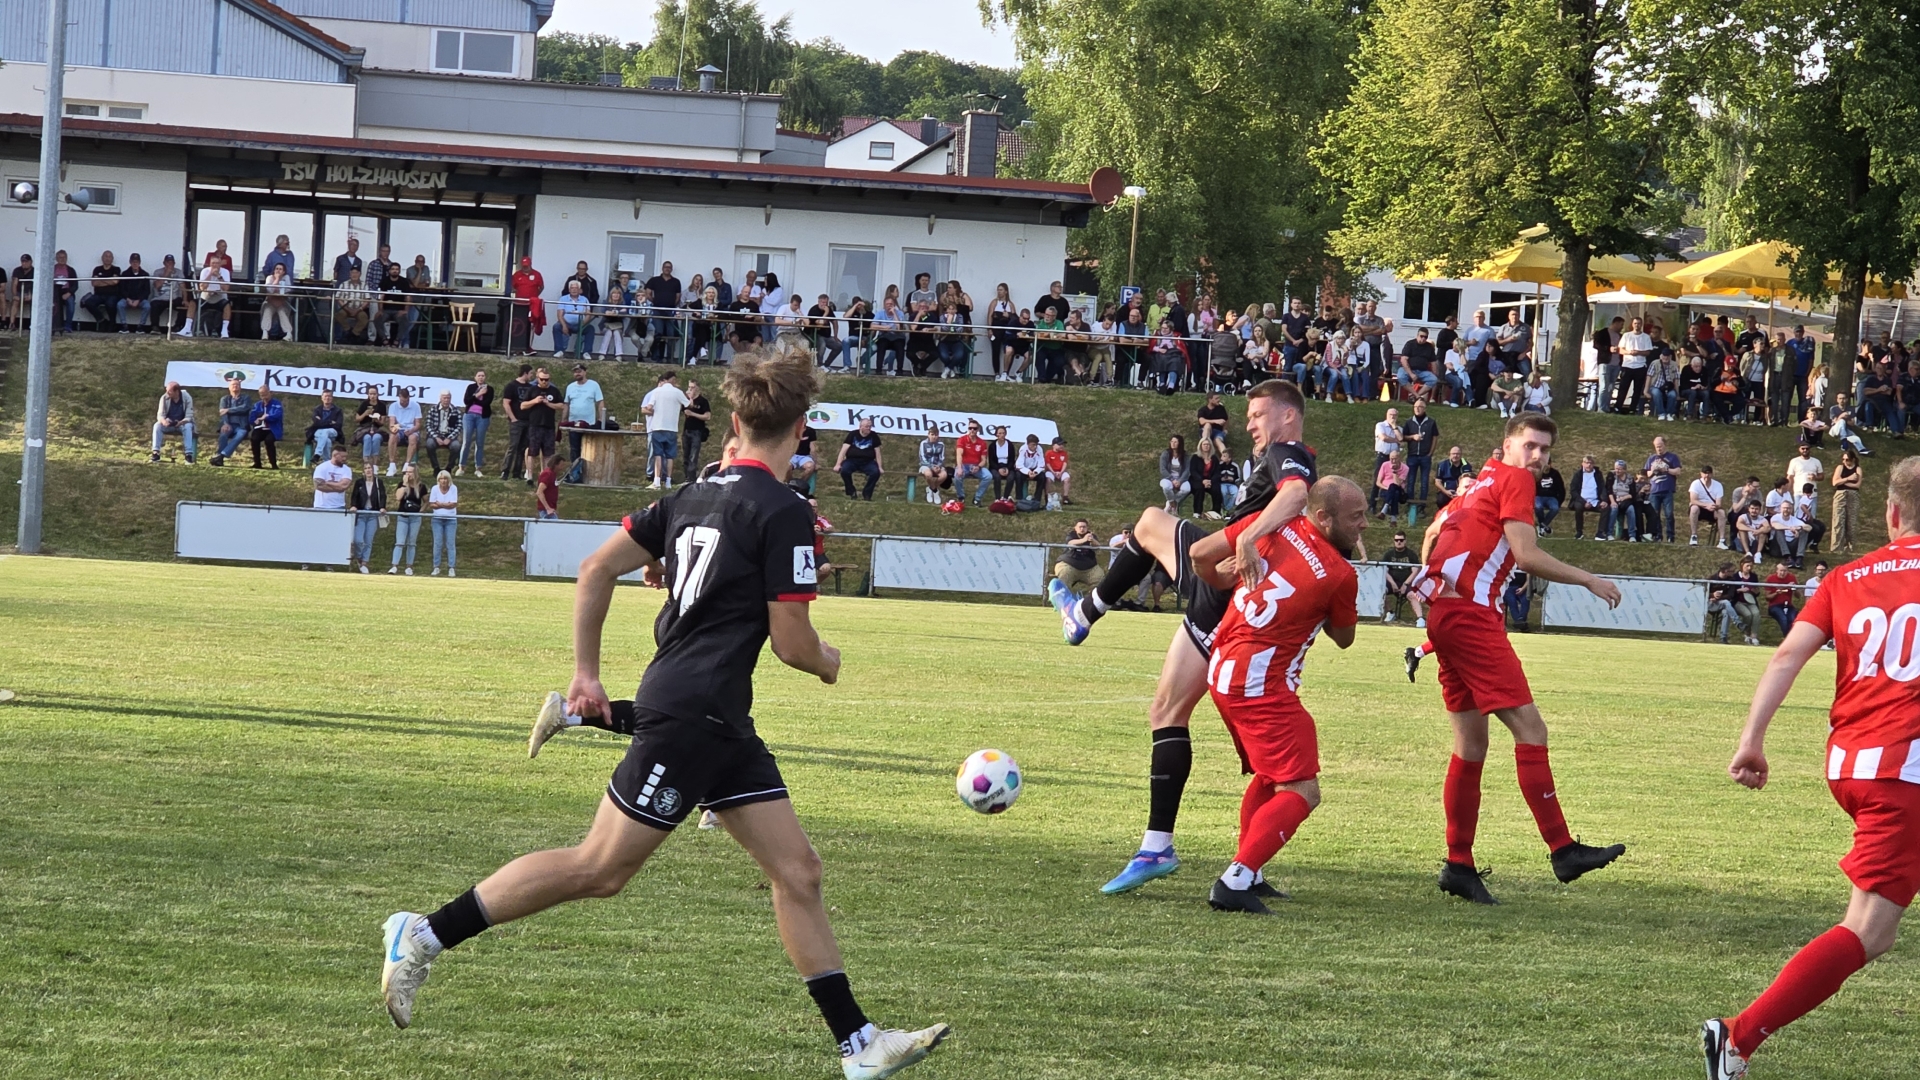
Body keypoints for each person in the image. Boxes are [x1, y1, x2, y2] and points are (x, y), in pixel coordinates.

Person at [379, 355, 950, 1078]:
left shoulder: (691, 493)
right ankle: (423, 934)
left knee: (798, 870)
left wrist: (586, 673)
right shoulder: (785, 511)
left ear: (735, 421)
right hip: (690, 715)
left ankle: (858, 1045)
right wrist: (829, 660)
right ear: (801, 429)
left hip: (719, 718)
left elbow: (595, 567)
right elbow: (793, 644)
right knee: (599, 868)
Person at [1052, 380, 1318, 896]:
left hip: (1221, 589)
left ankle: (1084, 613)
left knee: (1152, 522)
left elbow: (1297, 494)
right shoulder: (1284, 456)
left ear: (1288, 416)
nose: (1250, 423)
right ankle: (1083, 612)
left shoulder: (1288, 453)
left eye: (1258, 414)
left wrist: (1249, 537)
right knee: (1170, 710)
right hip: (1230, 595)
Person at [1702, 460, 1920, 1078]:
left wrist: (1751, 740)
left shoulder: (1847, 576)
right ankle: (1737, 1037)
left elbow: (1787, 657)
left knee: (1875, 927)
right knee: (1869, 931)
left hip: (1855, 765)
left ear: (1891, 514)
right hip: (1903, 771)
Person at [1409, 413, 1625, 904]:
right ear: (1507, 445)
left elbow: (1435, 533)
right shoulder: (1515, 480)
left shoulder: (1476, 483)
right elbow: (1525, 555)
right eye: (1530, 445)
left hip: (1445, 613)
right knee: (1532, 731)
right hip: (1470, 616)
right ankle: (1563, 850)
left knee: (1470, 745)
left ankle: (1458, 864)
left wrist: (1437, 584)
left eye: (1545, 450)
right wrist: (1590, 579)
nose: (1538, 457)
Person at [1191, 477, 1363, 914]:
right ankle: (1235, 879)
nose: (1364, 524)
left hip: (1224, 669)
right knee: (1303, 790)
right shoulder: (1340, 574)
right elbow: (1344, 638)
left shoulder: (1266, 527)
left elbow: (1199, 554)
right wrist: (1329, 596)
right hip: (1260, 684)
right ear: (1323, 518)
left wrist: (1224, 578)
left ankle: (1251, 872)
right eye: (1356, 517)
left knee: (1271, 776)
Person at [642, 371, 690, 489]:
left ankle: (657, 481)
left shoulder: (657, 391)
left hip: (658, 427)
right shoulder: (677, 392)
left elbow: (649, 407)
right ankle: (668, 481)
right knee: (670, 456)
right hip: (671, 428)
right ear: (672, 380)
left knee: (658, 455)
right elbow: (688, 404)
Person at [521, 368, 563, 486]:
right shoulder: (532, 390)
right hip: (535, 425)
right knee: (532, 452)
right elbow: (523, 405)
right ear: (537, 378)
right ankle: (529, 476)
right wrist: (535, 401)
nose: (544, 382)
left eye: (547, 379)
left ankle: (545, 476)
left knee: (548, 454)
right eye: (542, 379)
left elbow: (561, 406)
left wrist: (548, 404)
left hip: (549, 425)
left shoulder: (554, 391)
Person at [1051, 519, 1106, 598]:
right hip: (1069, 564)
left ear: (1087, 528)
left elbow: (1098, 546)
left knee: (1100, 578)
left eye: (1084, 527)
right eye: (1080, 527)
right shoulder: (1071, 535)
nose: (1082, 529)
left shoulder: (1091, 536)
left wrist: (1092, 540)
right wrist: (1083, 540)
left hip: (1089, 568)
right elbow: (1071, 543)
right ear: (1075, 528)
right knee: (1064, 575)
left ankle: (1092, 600)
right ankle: (1064, 599)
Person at [1380, 530, 1425, 626]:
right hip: (1393, 582)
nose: (1399, 542)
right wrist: (1392, 583)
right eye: (1396, 540)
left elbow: (1415, 571)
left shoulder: (1411, 554)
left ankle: (1420, 618)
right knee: (1380, 591)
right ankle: (1390, 613)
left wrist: (1405, 584)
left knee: (1412, 595)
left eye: (1401, 540)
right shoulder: (1388, 554)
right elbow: (1384, 571)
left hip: (1407, 582)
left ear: (1405, 541)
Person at [499, 365, 535, 481]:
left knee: (523, 448)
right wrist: (513, 418)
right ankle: (505, 471)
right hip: (516, 421)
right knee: (513, 446)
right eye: (530, 373)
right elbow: (506, 403)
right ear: (525, 373)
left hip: (528, 421)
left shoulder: (531, 387)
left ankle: (517, 472)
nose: (532, 376)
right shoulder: (511, 386)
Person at [563, 364, 606, 461]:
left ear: (585, 372)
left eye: (579, 371)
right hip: (573, 424)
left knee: (589, 450)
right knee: (574, 450)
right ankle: (575, 469)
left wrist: (601, 419)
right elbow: (566, 404)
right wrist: (564, 420)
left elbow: (600, 402)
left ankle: (588, 469)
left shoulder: (594, 385)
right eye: (575, 372)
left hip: (589, 424)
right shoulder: (570, 387)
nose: (577, 374)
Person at [350, 460, 386, 574]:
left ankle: (364, 563)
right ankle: (359, 557)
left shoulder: (378, 482)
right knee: (358, 540)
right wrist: (354, 506)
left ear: (373, 470)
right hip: (361, 513)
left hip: (373, 514)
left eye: (370, 468)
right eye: (366, 468)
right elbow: (354, 496)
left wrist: (382, 507)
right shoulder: (359, 483)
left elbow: (383, 496)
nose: (368, 470)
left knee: (368, 540)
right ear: (363, 471)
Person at [389, 465, 425, 575]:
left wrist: (421, 510)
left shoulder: (421, 487)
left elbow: (426, 500)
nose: (408, 474)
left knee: (411, 543)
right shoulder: (402, 485)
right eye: (406, 472)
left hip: (415, 518)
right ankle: (394, 566)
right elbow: (398, 497)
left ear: (415, 473)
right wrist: (404, 484)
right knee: (399, 542)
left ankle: (409, 567)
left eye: (410, 472)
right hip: (402, 517)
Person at [1645, 436, 1681, 542]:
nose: (1658, 449)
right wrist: (1653, 470)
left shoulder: (1672, 457)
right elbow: (1646, 473)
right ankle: (1658, 535)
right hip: (1654, 491)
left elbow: (1678, 471)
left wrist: (1666, 469)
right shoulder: (1651, 459)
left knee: (1668, 514)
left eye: (1660, 446)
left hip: (1667, 490)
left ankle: (1670, 536)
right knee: (1655, 514)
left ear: (1665, 445)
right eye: (1656, 447)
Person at [150, 381, 196, 464]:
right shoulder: (164, 398)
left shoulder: (187, 397)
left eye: (169, 391)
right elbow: (160, 415)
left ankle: (188, 455)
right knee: (157, 426)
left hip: (183, 423)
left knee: (188, 426)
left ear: (176, 391)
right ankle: (155, 453)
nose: (167, 393)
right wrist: (163, 421)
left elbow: (189, 416)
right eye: (166, 391)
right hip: (169, 423)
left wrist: (182, 422)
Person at [212, 377, 253, 466]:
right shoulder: (224, 399)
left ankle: (221, 456)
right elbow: (222, 412)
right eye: (233, 384)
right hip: (228, 424)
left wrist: (228, 410)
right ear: (229, 387)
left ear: (240, 387)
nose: (235, 386)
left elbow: (245, 408)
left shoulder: (246, 398)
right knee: (223, 434)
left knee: (240, 435)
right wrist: (225, 424)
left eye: (237, 384)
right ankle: (220, 458)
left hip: (241, 426)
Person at [460, 371, 494, 477]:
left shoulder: (490, 389)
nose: (481, 377)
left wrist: (474, 399)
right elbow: (466, 401)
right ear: (475, 377)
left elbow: (486, 403)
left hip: (482, 417)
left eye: (483, 376)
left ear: (485, 377)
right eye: (479, 376)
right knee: (466, 441)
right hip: (469, 416)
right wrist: (478, 394)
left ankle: (478, 468)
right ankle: (461, 467)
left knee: (479, 442)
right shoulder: (471, 387)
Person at [1831, 448, 1864, 553]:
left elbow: (1857, 485)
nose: (1845, 462)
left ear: (1853, 459)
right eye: (1843, 459)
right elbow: (1835, 483)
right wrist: (1848, 478)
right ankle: (1836, 548)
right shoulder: (1840, 468)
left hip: (1853, 495)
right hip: (1840, 495)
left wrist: (1842, 482)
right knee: (1838, 521)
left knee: (1851, 522)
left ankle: (1850, 547)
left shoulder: (1858, 469)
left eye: (1847, 460)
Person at [1689, 465, 1730, 548]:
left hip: (1712, 508)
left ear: (1712, 474)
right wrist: (1706, 505)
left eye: (1709, 473)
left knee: (1721, 512)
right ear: (1701, 474)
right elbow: (1693, 500)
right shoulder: (1695, 483)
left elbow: (1719, 503)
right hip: (1699, 507)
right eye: (1705, 473)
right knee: (1694, 508)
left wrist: (1714, 506)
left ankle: (1722, 540)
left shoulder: (1718, 485)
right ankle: (1694, 536)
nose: (1707, 475)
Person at [1601, 460, 1641, 543]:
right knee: (1613, 509)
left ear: (1624, 470)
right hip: (1614, 499)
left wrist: (1623, 498)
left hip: (1626, 500)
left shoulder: (1630, 478)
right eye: (1616, 468)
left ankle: (1632, 535)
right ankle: (1609, 533)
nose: (1617, 471)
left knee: (1631, 510)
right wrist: (1613, 502)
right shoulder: (1611, 476)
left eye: (1619, 469)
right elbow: (1609, 490)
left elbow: (1632, 494)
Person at [386, 387, 423, 476]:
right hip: (399, 429)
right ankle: (392, 465)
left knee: (413, 438)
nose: (404, 403)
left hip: (411, 429)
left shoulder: (416, 406)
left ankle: (407, 465)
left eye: (406, 401)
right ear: (399, 397)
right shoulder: (393, 406)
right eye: (402, 401)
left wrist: (411, 430)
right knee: (392, 437)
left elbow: (418, 424)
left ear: (409, 398)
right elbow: (391, 423)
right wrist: (394, 429)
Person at [429, 470, 459, 577]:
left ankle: (451, 567)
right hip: (437, 519)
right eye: (441, 479)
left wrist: (440, 504)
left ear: (448, 479)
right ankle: (436, 567)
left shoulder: (453, 488)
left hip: (451, 519)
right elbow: (432, 504)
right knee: (438, 543)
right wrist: (446, 504)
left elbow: (453, 504)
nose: (443, 481)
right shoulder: (434, 488)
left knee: (450, 544)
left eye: (445, 478)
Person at [247, 385, 284, 470]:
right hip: (260, 428)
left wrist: (267, 417)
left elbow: (277, 415)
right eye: (262, 395)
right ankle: (257, 463)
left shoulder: (276, 404)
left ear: (270, 393)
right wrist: (255, 421)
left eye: (265, 394)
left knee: (269, 440)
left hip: (272, 429)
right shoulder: (257, 405)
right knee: (254, 439)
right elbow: (252, 418)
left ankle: (273, 464)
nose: (264, 397)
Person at [955, 420, 991, 505]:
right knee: (957, 476)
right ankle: (961, 497)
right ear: (968, 428)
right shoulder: (962, 440)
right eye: (970, 428)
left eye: (974, 428)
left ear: (978, 429)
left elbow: (984, 460)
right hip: (964, 465)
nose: (972, 430)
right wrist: (959, 468)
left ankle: (977, 498)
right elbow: (959, 455)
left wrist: (978, 467)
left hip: (976, 466)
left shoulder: (982, 443)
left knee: (988, 476)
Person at [305, 389, 346, 464]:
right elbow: (316, 423)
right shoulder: (317, 409)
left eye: (329, 396)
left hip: (333, 432)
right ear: (322, 398)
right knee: (327, 441)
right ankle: (326, 462)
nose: (327, 398)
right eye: (325, 396)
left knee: (325, 431)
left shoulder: (338, 410)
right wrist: (330, 422)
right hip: (318, 431)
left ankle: (317, 454)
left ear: (332, 398)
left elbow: (338, 425)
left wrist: (322, 422)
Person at [682, 381, 712, 477]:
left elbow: (707, 416)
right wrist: (689, 398)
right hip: (687, 430)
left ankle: (691, 477)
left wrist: (693, 414)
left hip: (697, 431)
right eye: (689, 387)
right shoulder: (686, 401)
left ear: (698, 388)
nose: (690, 389)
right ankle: (686, 476)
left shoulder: (703, 401)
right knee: (686, 455)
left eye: (693, 387)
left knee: (693, 456)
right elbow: (685, 410)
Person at [115, 253, 151, 333]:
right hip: (127, 299)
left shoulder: (145, 274)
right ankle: (124, 325)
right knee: (120, 304)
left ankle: (141, 326)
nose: (135, 264)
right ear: (130, 262)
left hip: (140, 300)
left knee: (147, 306)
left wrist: (139, 300)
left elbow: (147, 291)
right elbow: (121, 289)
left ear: (139, 262)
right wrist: (128, 299)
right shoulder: (125, 274)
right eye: (133, 262)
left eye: (136, 262)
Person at [915, 425, 951, 504]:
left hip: (937, 466)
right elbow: (922, 458)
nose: (934, 437)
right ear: (928, 435)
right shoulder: (923, 443)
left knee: (944, 475)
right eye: (932, 434)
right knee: (928, 474)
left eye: (936, 435)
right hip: (925, 465)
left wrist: (939, 466)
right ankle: (935, 490)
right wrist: (931, 467)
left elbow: (942, 458)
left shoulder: (941, 444)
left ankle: (930, 488)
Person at [1158, 434, 1193, 514]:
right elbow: (1162, 469)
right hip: (1168, 478)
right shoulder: (1165, 454)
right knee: (1166, 487)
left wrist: (1180, 481)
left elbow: (1187, 469)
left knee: (1187, 489)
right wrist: (1172, 479)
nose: (1173, 443)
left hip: (1181, 478)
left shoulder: (1185, 455)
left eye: (1175, 442)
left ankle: (1171, 503)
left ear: (1180, 443)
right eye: (1172, 441)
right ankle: (1172, 502)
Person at [313, 445, 353, 511]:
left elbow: (343, 486)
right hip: (321, 506)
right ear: (335, 455)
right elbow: (318, 486)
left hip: (339, 506)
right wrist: (338, 486)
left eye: (345, 457)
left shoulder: (347, 469)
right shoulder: (321, 467)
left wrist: (326, 483)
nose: (344, 459)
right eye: (342, 457)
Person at [1763, 563, 1799, 636]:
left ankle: (1792, 638)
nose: (1782, 573)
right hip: (1774, 606)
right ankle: (1788, 638)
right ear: (1777, 570)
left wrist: (1794, 589)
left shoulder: (1792, 578)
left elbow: (1798, 596)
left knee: (1793, 619)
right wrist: (1776, 593)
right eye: (1781, 571)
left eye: (1785, 571)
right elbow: (1767, 597)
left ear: (1787, 571)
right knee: (1783, 619)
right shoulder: (1771, 578)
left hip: (1788, 605)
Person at [1376, 449, 1409, 521]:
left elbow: (1398, 483)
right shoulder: (1385, 465)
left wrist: (1394, 472)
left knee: (1393, 487)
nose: (1393, 461)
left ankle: (1384, 511)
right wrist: (1387, 488)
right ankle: (1393, 519)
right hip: (1386, 489)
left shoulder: (1405, 468)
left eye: (1395, 459)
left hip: (1399, 489)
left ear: (1399, 458)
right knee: (1394, 492)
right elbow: (1378, 482)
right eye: (1391, 459)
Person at [1534, 460, 1564, 536]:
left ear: (1550, 464)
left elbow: (1561, 488)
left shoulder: (1555, 473)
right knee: (1538, 507)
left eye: (1548, 463)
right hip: (1539, 496)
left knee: (1555, 508)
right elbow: (1532, 486)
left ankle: (1542, 525)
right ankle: (1543, 527)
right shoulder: (1537, 473)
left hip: (1551, 497)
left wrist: (1559, 501)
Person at [1014, 434, 1047, 502]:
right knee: (1018, 476)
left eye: (1036, 444)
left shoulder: (1039, 449)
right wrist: (1028, 472)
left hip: (1035, 469)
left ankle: (1037, 499)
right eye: (1033, 445)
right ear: (1028, 444)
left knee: (1042, 477)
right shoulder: (1023, 449)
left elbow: (1041, 464)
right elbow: (1019, 465)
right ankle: (1019, 498)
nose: (1035, 447)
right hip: (1024, 469)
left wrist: (1035, 472)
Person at [1044, 437, 1073, 507]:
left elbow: (1065, 463)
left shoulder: (1064, 453)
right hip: (1051, 471)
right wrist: (1053, 472)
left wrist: (1061, 472)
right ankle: (1047, 496)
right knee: (1048, 479)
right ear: (1054, 445)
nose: (1061, 446)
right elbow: (1048, 464)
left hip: (1060, 471)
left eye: (1062, 444)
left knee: (1067, 478)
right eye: (1059, 444)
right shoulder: (1049, 453)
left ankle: (1065, 497)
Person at [534, 453, 561, 520]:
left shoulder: (553, 474)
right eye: (561, 465)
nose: (562, 467)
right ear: (556, 464)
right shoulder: (547, 474)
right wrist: (548, 508)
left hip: (550, 509)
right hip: (546, 511)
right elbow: (539, 492)